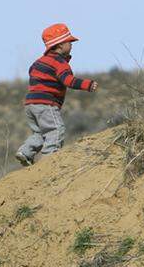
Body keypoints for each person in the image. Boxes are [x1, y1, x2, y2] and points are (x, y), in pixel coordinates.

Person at [15, 23, 98, 166]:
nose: (72, 45)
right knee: (56, 129)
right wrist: (87, 85)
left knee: (40, 133)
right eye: (69, 42)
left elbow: (32, 74)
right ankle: (49, 161)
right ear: (59, 45)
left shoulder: (37, 62)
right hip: (46, 104)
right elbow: (68, 80)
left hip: (30, 104)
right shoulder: (59, 63)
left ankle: (26, 152)